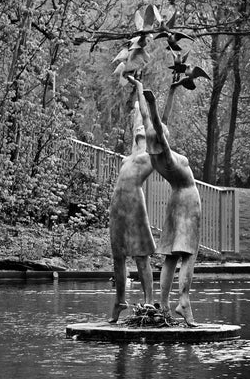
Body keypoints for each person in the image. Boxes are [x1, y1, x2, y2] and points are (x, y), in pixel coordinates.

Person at [130, 76, 202, 327]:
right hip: (187, 200)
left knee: (170, 256)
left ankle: (163, 303)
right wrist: (153, 103)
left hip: (173, 201)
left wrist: (142, 89)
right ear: (163, 138)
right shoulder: (169, 156)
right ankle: (184, 300)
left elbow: (155, 122)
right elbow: (159, 124)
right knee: (189, 254)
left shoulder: (154, 155)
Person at [108, 85, 156, 323]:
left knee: (141, 255)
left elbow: (148, 119)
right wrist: (137, 104)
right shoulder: (129, 158)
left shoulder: (150, 157)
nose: (139, 137)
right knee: (118, 255)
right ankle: (120, 301)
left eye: (143, 135)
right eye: (138, 135)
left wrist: (141, 96)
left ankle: (149, 301)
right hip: (118, 207)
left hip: (135, 205)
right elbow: (139, 119)